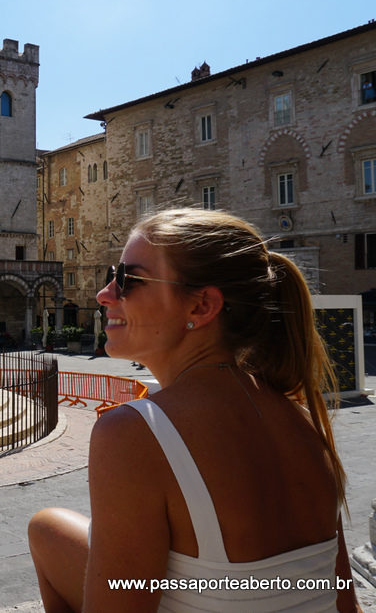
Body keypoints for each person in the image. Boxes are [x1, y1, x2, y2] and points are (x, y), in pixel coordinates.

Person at [27, 209, 359, 612]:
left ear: (201, 306)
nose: (105, 293)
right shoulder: (303, 420)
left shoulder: (135, 432)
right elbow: (346, 602)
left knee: (45, 527)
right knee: (49, 529)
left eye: (129, 280)